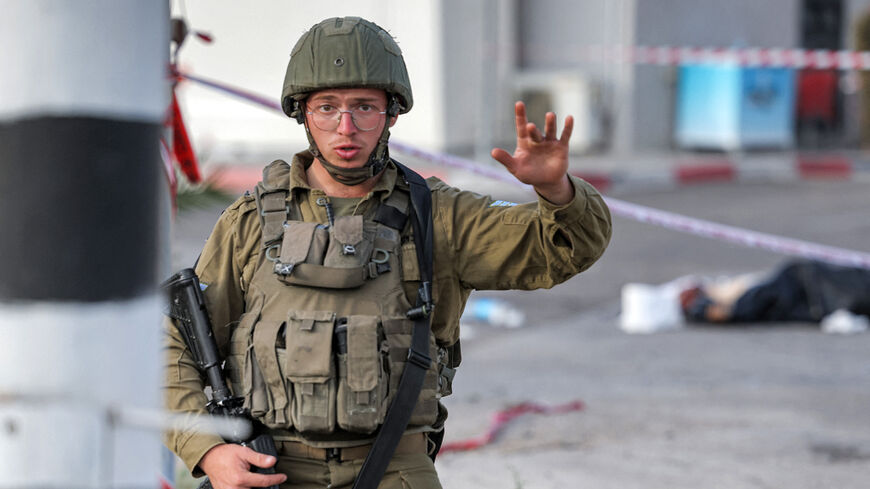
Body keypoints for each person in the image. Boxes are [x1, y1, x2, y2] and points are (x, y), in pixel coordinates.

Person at [164, 16, 611, 489]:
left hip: (393, 468)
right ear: (302, 114)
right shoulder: (249, 222)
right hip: (268, 468)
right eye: (326, 108)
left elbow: (563, 248)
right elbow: (177, 343)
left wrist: (556, 189)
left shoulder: (438, 215)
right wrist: (208, 450)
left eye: (364, 107)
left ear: (392, 113)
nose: (346, 127)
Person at [680, 259, 870, 325]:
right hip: (821, 291)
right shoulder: (750, 301)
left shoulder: (762, 293)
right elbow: (724, 314)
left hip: (820, 289)